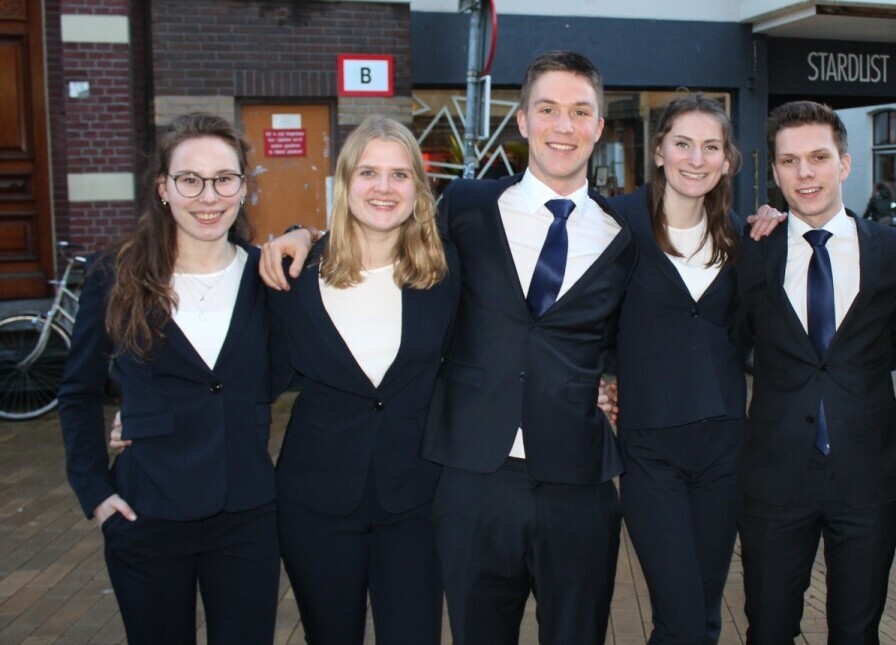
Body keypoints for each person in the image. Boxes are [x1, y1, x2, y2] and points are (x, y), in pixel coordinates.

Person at [259, 50, 636, 645]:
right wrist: (306, 235)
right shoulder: (466, 207)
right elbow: (382, 226)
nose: (563, 125)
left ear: (598, 126)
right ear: (521, 120)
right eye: (547, 109)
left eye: (579, 111)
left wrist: (610, 384)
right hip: (470, 477)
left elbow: (636, 330)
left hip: (578, 479)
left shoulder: (625, 233)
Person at [59, 113, 281, 643]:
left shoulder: (270, 276)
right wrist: (95, 491)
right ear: (163, 187)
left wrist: (305, 234)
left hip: (246, 516)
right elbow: (78, 391)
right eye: (190, 180)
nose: (209, 196)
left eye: (224, 179)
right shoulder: (116, 275)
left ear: (243, 187)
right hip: (147, 514)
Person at [267, 116, 459, 643]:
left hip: (416, 502)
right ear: (345, 181)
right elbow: (248, 375)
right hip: (316, 503)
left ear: (419, 188)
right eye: (368, 172)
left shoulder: (445, 270)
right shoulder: (296, 273)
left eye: (400, 175)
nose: (383, 188)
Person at [736, 101, 896, 644]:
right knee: (768, 629)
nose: (804, 173)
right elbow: (728, 341)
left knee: (857, 631)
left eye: (818, 157)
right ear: (774, 173)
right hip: (773, 478)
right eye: (789, 161)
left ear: (844, 163)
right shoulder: (751, 251)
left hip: (868, 477)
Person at [607, 93, 746, 644]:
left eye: (711, 147)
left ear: (727, 160)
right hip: (651, 448)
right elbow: (580, 317)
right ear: (659, 150)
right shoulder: (617, 223)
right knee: (681, 617)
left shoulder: (742, 235)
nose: (696, 159)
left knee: (705, 616)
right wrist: (596, 379)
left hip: (724, 446)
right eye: (683, 144)